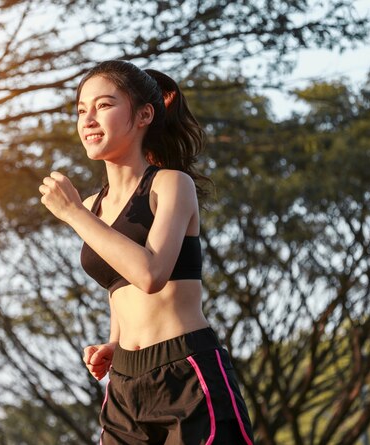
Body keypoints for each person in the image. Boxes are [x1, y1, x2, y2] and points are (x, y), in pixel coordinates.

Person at [39, 60, 254, 445]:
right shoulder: (92, 205)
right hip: (123, 384)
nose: (88, 119)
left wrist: (72, 215)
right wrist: (116, 342)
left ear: (144, 115)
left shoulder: (172, 185)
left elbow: (152, 274)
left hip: (188, 371)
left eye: (103, 106)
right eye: (81, 110)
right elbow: (118, 283)